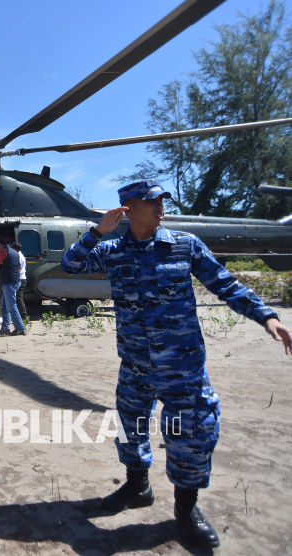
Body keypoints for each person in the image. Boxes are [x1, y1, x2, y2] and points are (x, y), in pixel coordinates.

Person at [62, 179, 292, 549]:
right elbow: (69, 264)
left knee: (193, 433)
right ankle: (138, 488)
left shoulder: (184, 244)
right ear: (128, 208)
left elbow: (226, 286)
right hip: (135, 363)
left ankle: (186, 512)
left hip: (182, 365)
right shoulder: (112, 250)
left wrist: (267, 317)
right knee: (130, 425)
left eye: (161, 200)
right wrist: (95, 231)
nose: (159, 206)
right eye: (150, 200)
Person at [0, 238, 25, 335]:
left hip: (9, 282)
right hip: (15, 281)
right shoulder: (14, 252)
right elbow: (20, 267)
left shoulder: (3, 251)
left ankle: (20, 328)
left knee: (11, 306)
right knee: (5, 306)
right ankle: (5, 328)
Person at [12, 242, 28, 320]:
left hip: (20, 278)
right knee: (18, 298)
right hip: (22, 278)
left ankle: (24, 316)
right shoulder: (21, 255)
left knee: (18, 298)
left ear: (14, 249)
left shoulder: (17, 256)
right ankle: (22, 316)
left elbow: (19, 267)